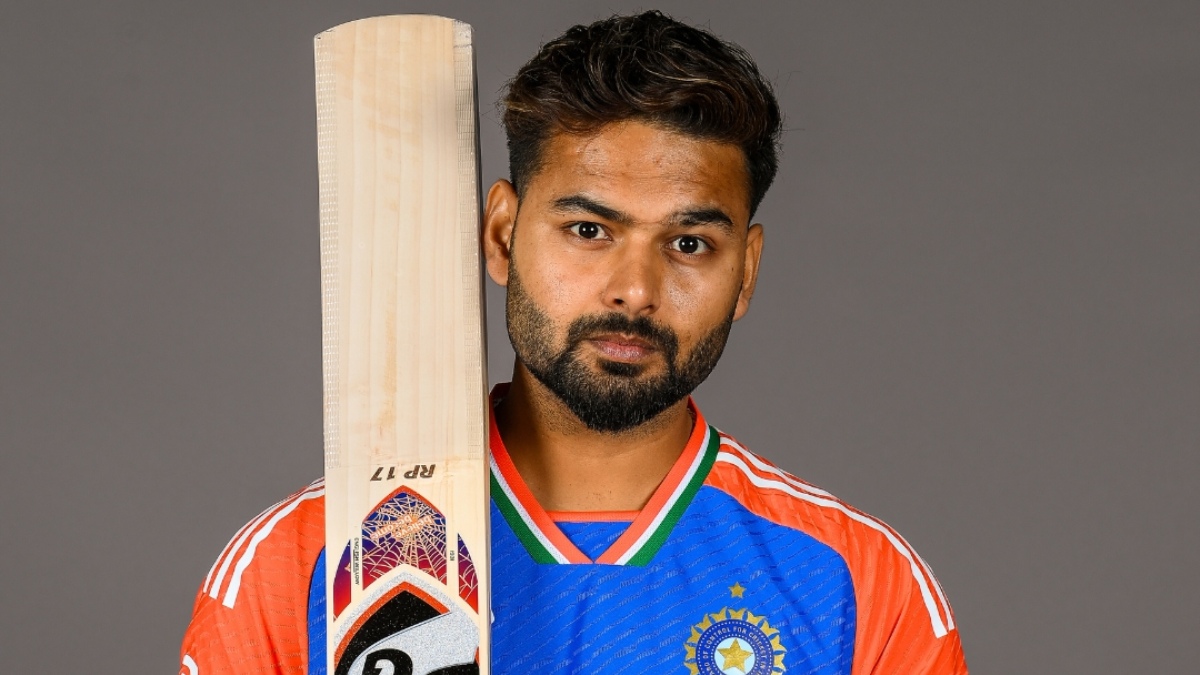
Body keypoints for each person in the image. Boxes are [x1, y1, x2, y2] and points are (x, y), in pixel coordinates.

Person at [181, 11, 968, 674]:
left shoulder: (855, 584)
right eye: (588, 230)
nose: (635, 288)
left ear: (746, 271)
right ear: (501, 234)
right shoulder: (301, 566)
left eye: (689, 244)